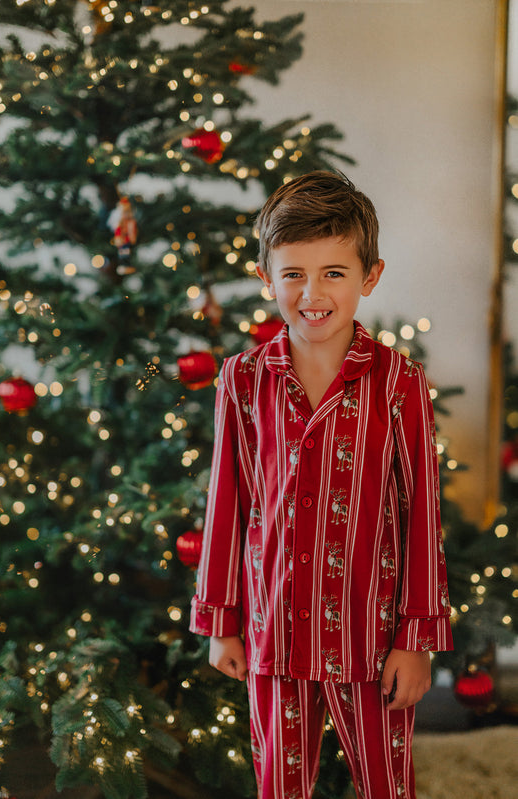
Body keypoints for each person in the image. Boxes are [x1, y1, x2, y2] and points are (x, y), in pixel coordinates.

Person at [190, 171, 453, 799]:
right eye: (293, 274)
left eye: (334, 272)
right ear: (266, 278)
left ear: (370, 276)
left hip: (373, 638)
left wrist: (416, 639)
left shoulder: (400, 383)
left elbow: (421, 516)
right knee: (279, 788)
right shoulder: (241, 380)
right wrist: (222, 620)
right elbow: (228, 503)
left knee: (388, 787)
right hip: (273, 633)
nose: (313, 292)